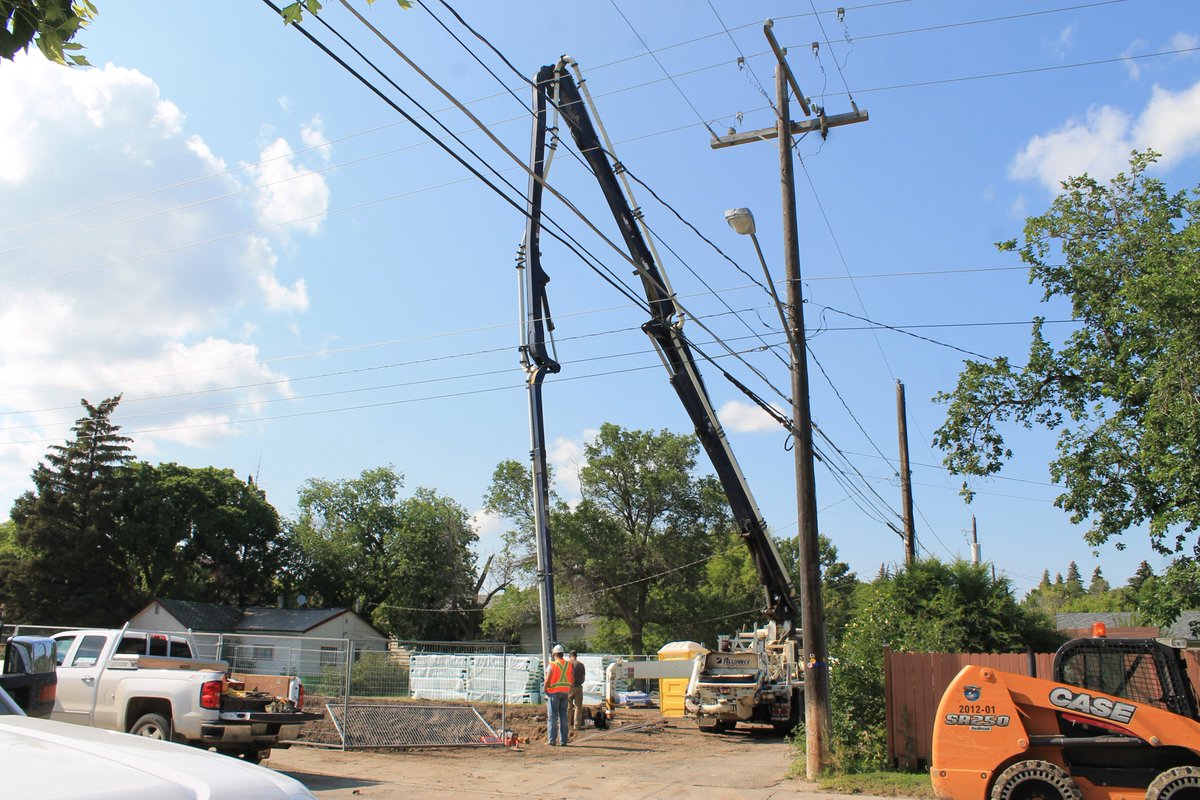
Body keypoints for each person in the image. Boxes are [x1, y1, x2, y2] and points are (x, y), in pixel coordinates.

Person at [543, 643, 573, 746]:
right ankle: (563, 740)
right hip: (565, 692)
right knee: (563, 716)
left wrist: (545, 690)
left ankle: (552, 740)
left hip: (554, 692)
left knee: (552, 717)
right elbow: (572, 679)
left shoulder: (552, 665)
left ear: (554, 654)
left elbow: (547, 680)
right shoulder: (569, 664)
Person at [567, 650, 586, 731]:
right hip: (578, 687)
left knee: (568, 707)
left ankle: (566, 725)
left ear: (569, 656)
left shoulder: (567, 664)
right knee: (578, 707)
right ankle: (577, 726)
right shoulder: (581, 665)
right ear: (576, 656)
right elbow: (583, 678)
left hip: (568, 688)